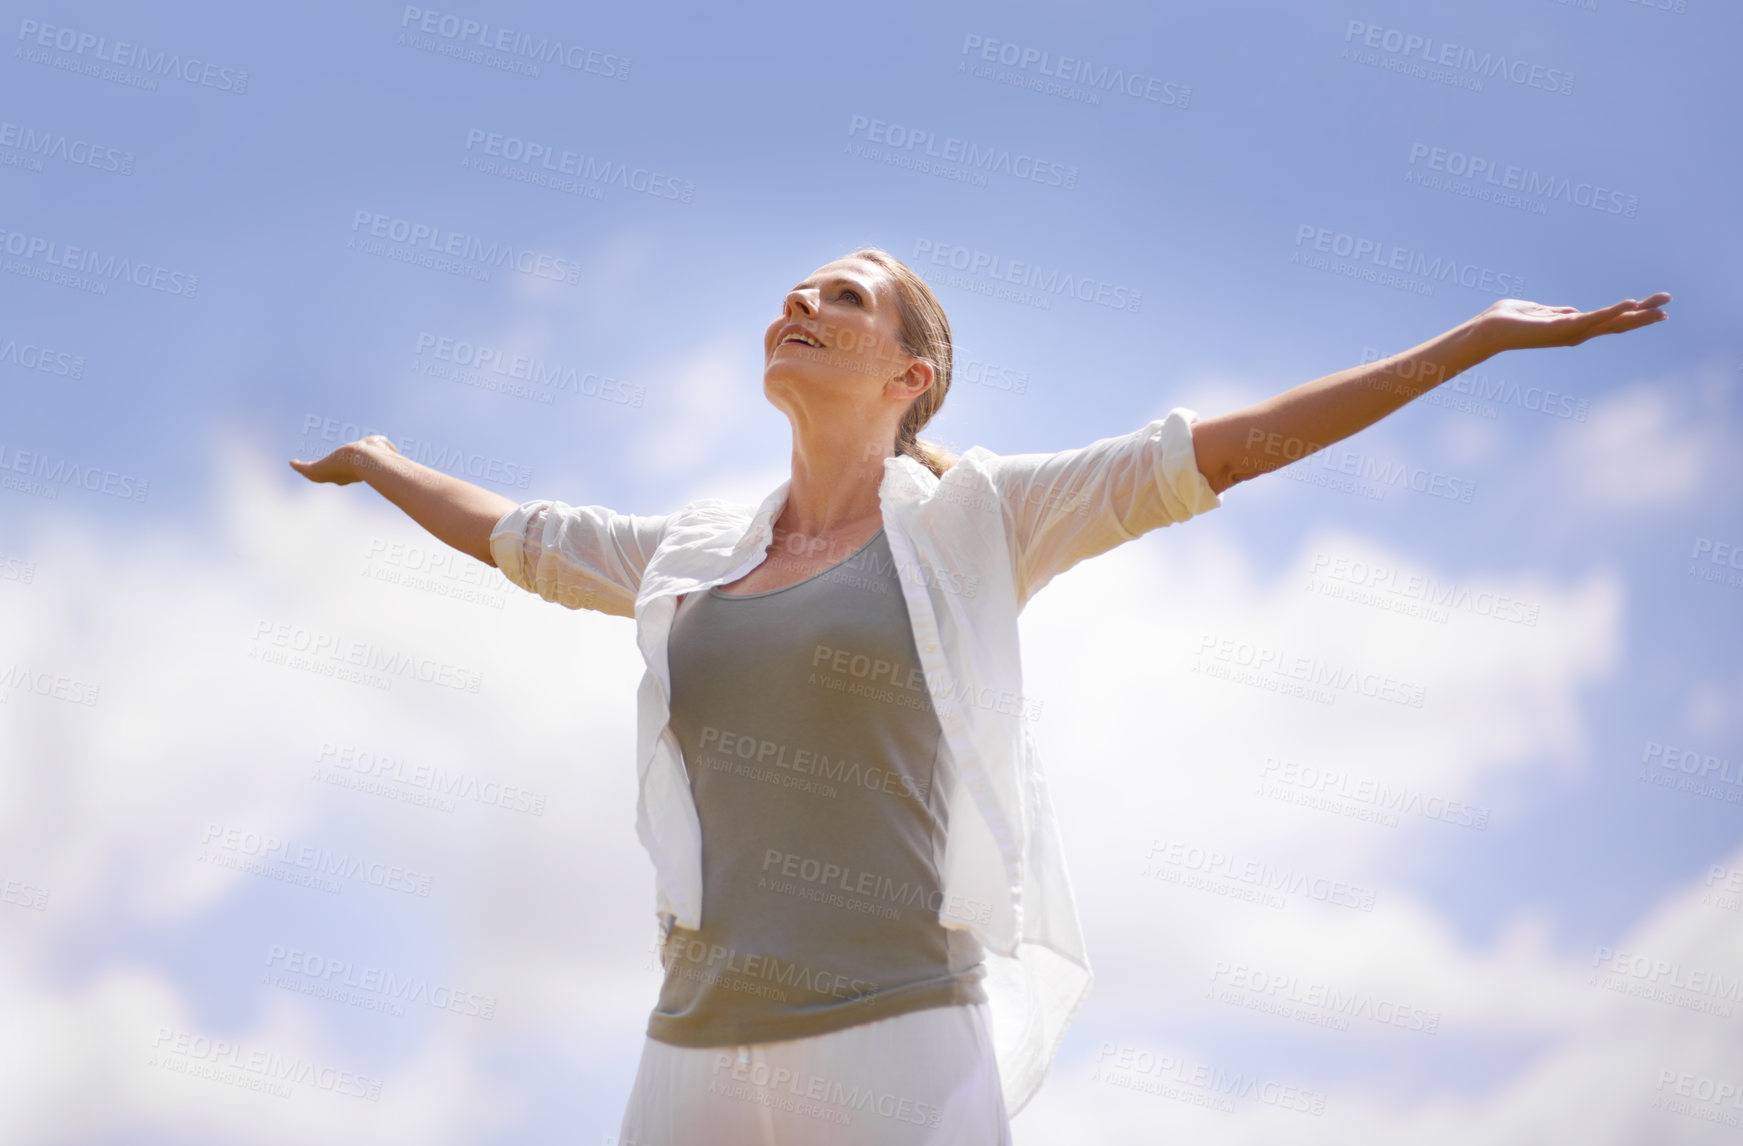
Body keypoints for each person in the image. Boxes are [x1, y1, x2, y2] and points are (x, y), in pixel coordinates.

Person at [291, 248, 1668, 1143]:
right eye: (789, 291)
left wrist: (1475, 340)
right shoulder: (688, 556)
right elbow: (518, 534)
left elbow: (1225, 451)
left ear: (913, 378)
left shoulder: (984, 521)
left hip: (901, 1040)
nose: (798, 304)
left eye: (840, 294)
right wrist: (382, 460)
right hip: (689, 1049)